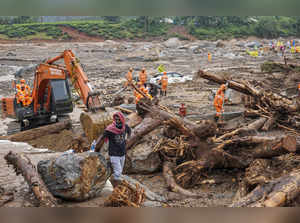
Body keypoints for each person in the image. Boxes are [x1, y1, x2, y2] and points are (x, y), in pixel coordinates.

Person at [94, 112, 131, 188]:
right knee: (118, 172)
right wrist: (96, 149)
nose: (117, 120)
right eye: (116, 119)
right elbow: (102, 138)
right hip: (114, 154)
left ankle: (112, 180)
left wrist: (128, 138)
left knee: (120, 171)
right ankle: (117, 188)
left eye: (119, 119)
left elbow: (129, 131)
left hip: (122, 153)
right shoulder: (110, 129)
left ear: (122, 119)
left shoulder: (125, 127)